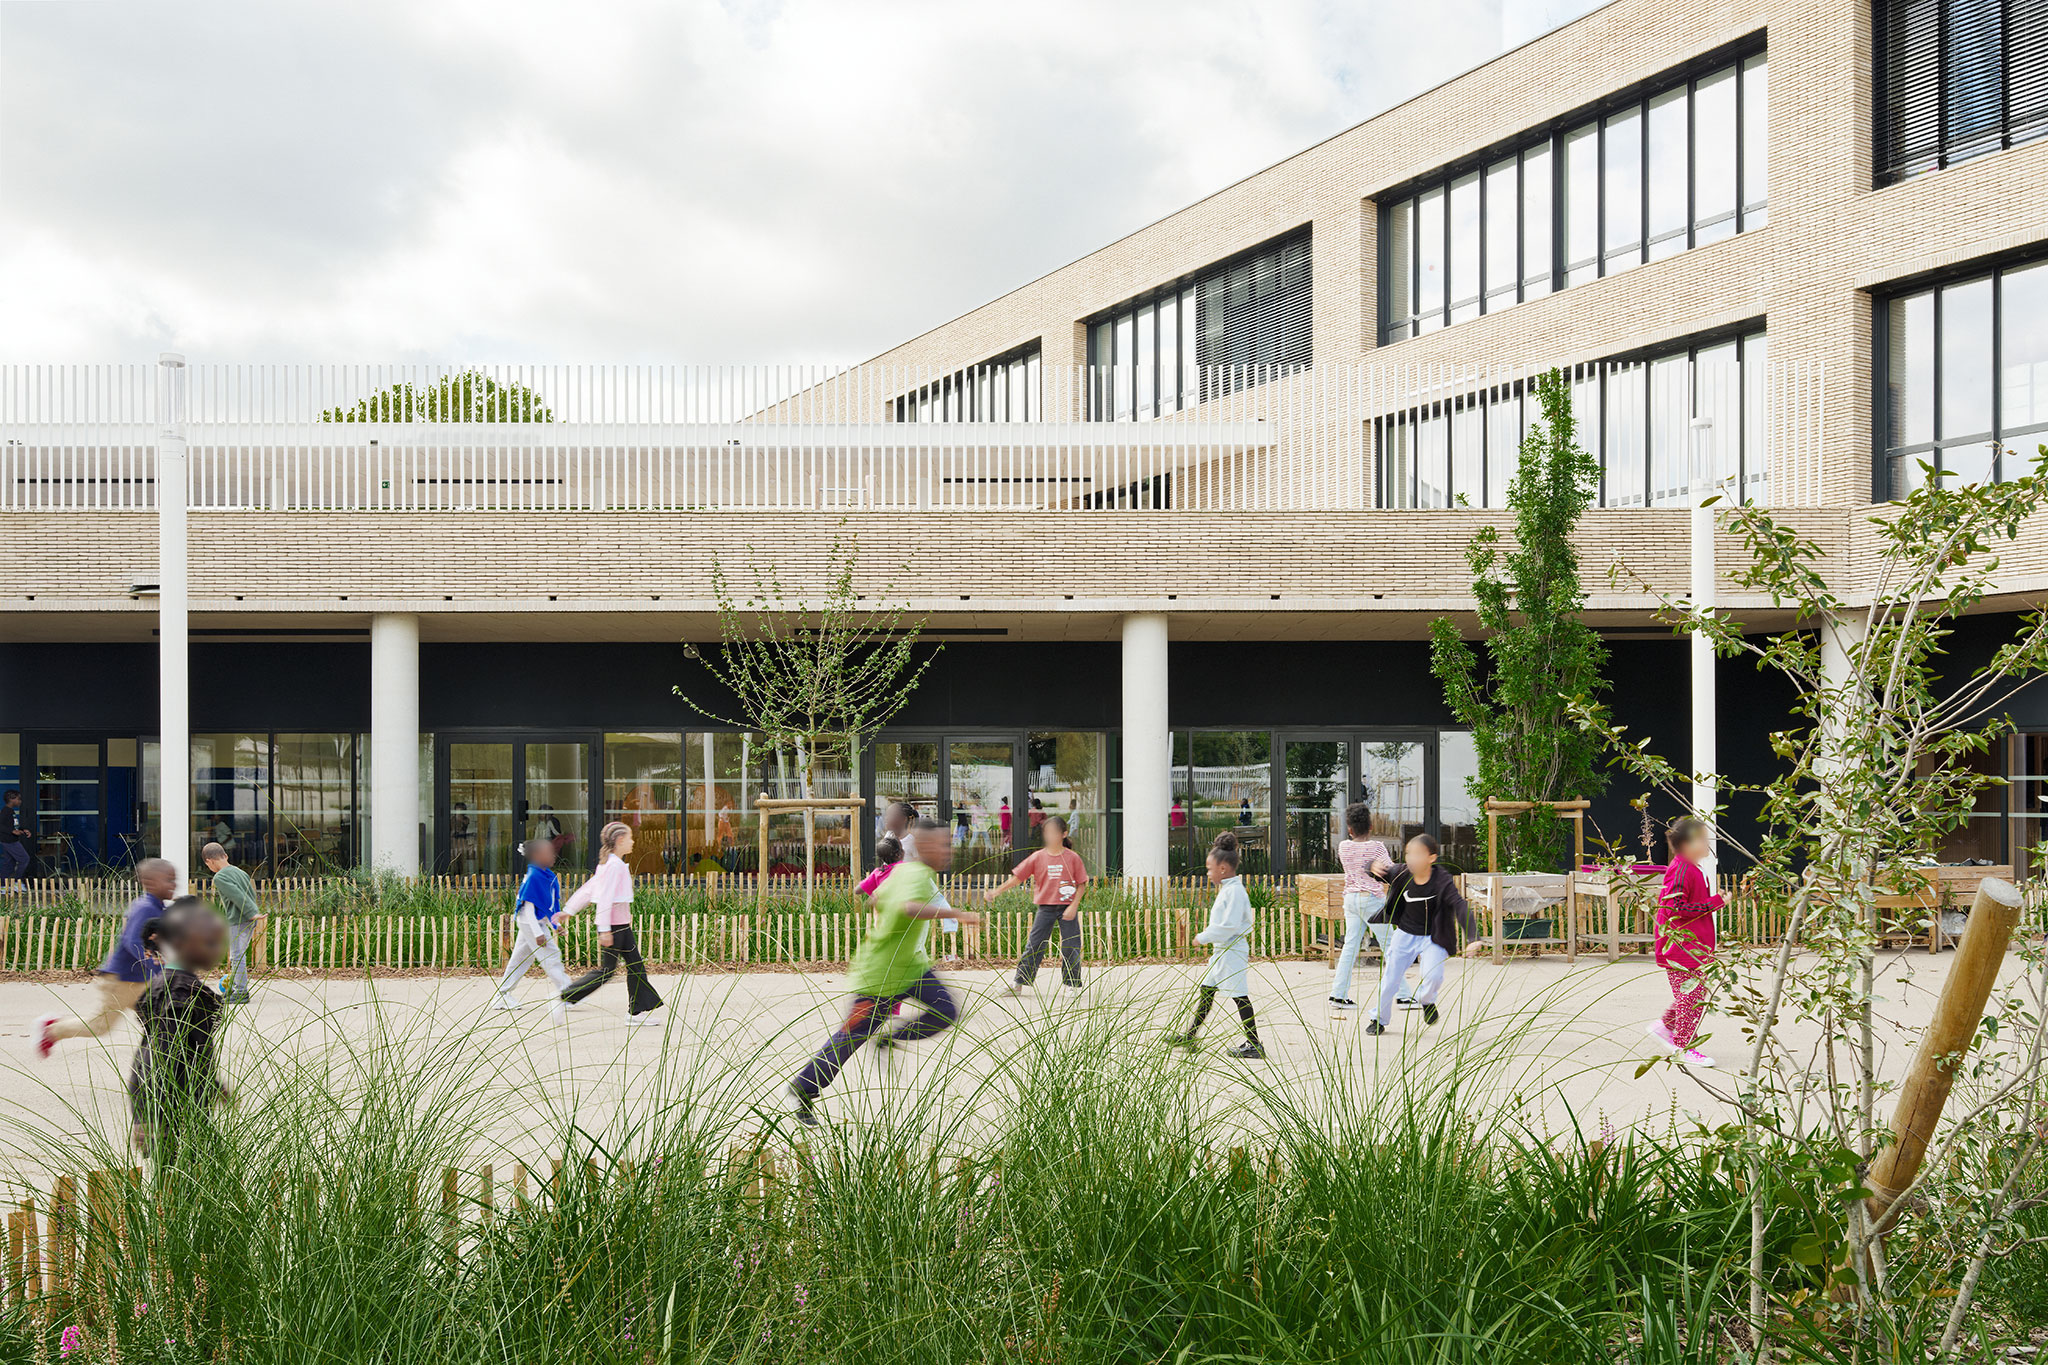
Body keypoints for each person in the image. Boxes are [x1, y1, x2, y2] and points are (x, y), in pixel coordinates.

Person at [786, 819, 982, 1126]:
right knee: (850, 1038)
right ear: (926, 846)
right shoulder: (914, 874)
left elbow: (876, 899)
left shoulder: (903, 871)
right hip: (881, 975)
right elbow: (907, 907)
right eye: (943, 844)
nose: (948, 850)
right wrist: (955, 913)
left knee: (946, 1010)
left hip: (913, 967)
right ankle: (804, 1089)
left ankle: (891, 1038)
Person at [36, 857, 178, 1056]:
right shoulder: (145, 907)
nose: (174, 884)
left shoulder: (156, 907)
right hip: (121, 980)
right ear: (152, 883)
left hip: (139, 980)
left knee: (160, 1022)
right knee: (100, 1025)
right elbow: (133, 942)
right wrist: (157, 967)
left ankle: (166, 1062)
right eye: (169, 879)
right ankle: (52, 1030)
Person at [128, 897, 230, 1167]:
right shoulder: (178, 992)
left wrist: (213, 1084)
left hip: (188, 1105)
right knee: (185, 1177)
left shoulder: (177, 985)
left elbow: (189, 1048)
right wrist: (144, 1117)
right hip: (174, 1113)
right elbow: (156, 1054)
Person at [1366, 834, 1483, 1036]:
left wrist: (1473, 937)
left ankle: (1427, 1001)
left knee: (1433, 976)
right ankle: (1379, 1019)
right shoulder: (1401, 872)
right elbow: (1376, 871)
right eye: (1409, 854)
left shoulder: (1442, 881)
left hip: (1433, 938)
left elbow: (1460, 906)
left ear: (1431, 858)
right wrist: (1370, 866)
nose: (1412, 858)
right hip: (1405, 934)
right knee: (1390, 980)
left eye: (1418, 854)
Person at [1167, 832, 1263, 1059]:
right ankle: (1191, 1035)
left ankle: (1254, 1043)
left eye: (1209, 869)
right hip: (1223, 951)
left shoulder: (1235, 892)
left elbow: (1228, 926)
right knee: (1207, 990)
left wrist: (1203, 937)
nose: (1207, 873)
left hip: (1232, 950)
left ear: (1222, 869)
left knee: (1240, 996)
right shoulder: (1229, 889)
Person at [559, 822, 665, 1024]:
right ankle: (566, 996)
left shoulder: (611, 863)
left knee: (636, 966)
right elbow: (604, 897)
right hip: (614, 927)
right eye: (631, 838)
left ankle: (635, 1012)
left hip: (620, 925)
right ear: (620, 840)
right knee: (607, 971)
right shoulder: (614, 865)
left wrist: (569, 910)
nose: (633, 842)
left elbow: (590, 888)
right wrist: (605, 930)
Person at [992, 815, 1091, 996]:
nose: (1050, 836)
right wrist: (997, 891)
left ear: (1064, 834)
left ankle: (1072, 985)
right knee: (1034, 945)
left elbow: (1082, 884)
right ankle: (1018, 983)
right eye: (1047, 832)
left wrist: (1074, 906)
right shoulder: (1038, 857)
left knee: (1071, 946)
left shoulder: (1072, 858)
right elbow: (1018, 877)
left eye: (1054, 832)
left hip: (1067, 907)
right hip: (1045, 907)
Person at [1650, 817, 1721, 1068]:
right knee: (1692, 996)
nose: (1708, 842)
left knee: (1693, 994)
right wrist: (1714, 902)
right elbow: (1675, 907)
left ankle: (1665, 1026)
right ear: (1687, 844)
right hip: (1679, 949)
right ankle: (1682, 1047)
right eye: (1703, 839)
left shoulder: (1691, 868)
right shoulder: (1680, 870)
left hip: (1692, 948)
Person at [491, 839, 574, 1023]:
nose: (553, 855)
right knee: (551, 956)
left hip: (533, 923)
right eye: (548, 852)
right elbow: (528, 908)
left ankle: (502, 995)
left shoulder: (545, 875)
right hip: (531, 924)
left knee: (521, 958)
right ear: (537, 856)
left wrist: (555, 924)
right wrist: (538, 934)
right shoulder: (535, 876)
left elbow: (545, 905)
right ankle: (567, 992)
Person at [1329, 802, 1394, 1011]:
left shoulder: (1344, 847)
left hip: (1351, 899)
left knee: (1350, 946)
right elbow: (1389, 871)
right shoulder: (1377, 847)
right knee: (1392, 947)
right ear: (1371, 826)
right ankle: (1403, 995)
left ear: (1349, 829)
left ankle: (1338, 994)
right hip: (1371, 899)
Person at [202, 841, 262, 1003]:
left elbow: (237, 895)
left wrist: (251, 912)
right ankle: (235, 988)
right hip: (249, 919)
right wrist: (253, 912)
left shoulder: (220, 877)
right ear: (225, 856)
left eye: (208, 865)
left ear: (209, 861)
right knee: (238, 955)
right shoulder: (240, 872)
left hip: (239, 918)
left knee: (237, 956)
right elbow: (249, 892)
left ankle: (241, 992)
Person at [1, 789, 30, 889]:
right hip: (10, 841)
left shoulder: (10, 811)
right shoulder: (6, 811)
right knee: (24, 859)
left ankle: (3, 885)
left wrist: (22, 829)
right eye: (18, 799)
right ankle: (17, 882)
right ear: (11, 799)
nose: (20, 801)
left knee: (9, 863)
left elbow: (13, 825)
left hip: (8, 840)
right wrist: (12, 831)